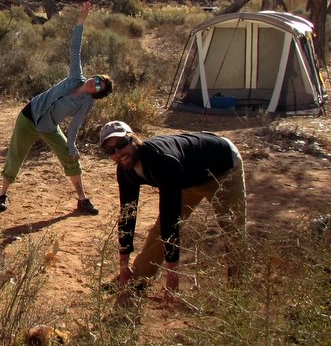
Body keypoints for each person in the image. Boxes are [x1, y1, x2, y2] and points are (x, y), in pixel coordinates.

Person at [99, 121, 246, 295]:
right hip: (185, 176)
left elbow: (171, 219)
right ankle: (137, 278)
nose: (118, 153)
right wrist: (123, 268)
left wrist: (172, 275)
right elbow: (127, 215)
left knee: (233, 230)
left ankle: (239, 291)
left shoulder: (163, 161)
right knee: (160, 230)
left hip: (222, 168)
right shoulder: (125, 169)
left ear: (133, 139)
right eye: (110, 150)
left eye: (122, 143)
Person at [0, 1, 113, 215]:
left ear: (98, 93)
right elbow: (75, 49)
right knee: (16, 156)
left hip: (49, 127)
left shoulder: (86, 103)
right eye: (96, 79)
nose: (94, 83)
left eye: (98, 86)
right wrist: (80, 22)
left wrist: (72, 145)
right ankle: (2, 195)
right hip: (29, 117)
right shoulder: (76, 77)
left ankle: (82, 200)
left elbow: (75, 126)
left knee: (70, 157)